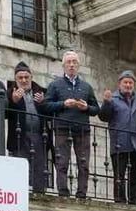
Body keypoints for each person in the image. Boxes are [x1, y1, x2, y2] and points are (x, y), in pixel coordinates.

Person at [40, 51, 98, 198]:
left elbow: (96, 109)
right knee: (62, 162)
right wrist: (63, 104)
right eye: (68, 62)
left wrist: (87, 108)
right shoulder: (55, 85)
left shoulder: (87, 87)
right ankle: (63, 193)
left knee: (83, 164)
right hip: (62, 128)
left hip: (82, 129)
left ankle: (82, 194)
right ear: (64, 65)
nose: (71, 65)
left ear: (78, 65)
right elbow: (46, 106)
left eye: (74, 62)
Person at [97, 71, 136, 204]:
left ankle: (133, 201)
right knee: (119, 175)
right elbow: (103, 117)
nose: (128, 85)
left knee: (135, 176)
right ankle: (119, 201)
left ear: (134, 85)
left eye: (130, 83)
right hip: (119, 143)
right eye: (125, 82)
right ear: (119, 84)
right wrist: (106, 103)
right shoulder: (113, 99)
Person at [7, 61, 49, 192]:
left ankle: (40, 195)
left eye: (26, 77)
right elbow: (4, 113)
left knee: (39, 167)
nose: (24, 80)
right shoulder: (10, 92)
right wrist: (13, 101)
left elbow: (49, 111)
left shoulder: (41, 92)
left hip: (39, 135)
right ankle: (20, 194)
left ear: (31, 77)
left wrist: (43, 103)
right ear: (16, 79)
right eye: (20, 78)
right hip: (19, 136)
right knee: (20, 167)